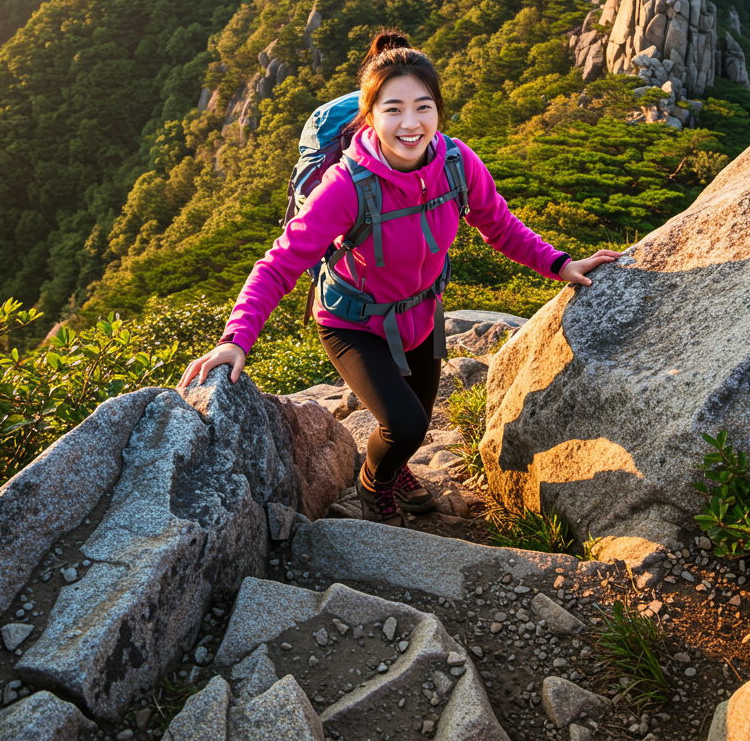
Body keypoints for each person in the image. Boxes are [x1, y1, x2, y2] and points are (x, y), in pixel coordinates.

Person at [178, 30, 621, 527]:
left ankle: (395, 466)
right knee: (405, 422)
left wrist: (560, 264)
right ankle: (374, 482)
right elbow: (281, 263)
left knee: (417, 424)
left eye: (423, 107)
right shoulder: (345, 187)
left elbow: (497, 222)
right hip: (353, 324)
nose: (410, 124)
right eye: (393, 109)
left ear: (438, 110)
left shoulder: (457, 164)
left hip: (422, 315)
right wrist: (236, 339)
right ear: (370, 115)